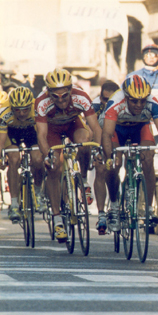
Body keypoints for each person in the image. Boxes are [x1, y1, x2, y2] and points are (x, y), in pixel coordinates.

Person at [35, 68, 103, 242]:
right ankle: (57, 218)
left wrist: (97, 149)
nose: (61, 100)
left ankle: (85, 180)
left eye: (65, 95)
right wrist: (48, 155)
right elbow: (41, 136)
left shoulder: (81, 97)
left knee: (85, 141)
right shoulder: (41, 102)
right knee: (54, 168)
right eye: (55, 97)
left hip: (74, 125)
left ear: (71, 90)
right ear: (48, 93)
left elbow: (96, 128)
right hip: (52, 131)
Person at [100, 75, 158, 232]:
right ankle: (113, 207)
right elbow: (106, 135)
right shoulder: (115, 102)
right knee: (115, 163)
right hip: (117, 131)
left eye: (142, 100)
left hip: (140, 128)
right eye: (134, 101)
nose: (139, 104)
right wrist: (109, 158)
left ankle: (148, 207)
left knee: (148, 158)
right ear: (126, 97)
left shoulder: (153, 103)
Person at [0, 87, 44, 222]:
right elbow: (1, 141)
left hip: (32, 132)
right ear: (11, 107)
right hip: (12, 134)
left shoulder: (38, 110)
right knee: (13, 160)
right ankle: (14, 204)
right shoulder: (4, 113)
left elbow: (42, 135)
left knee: (37, 159)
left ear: (30, 105)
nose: (22, 113)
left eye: (25, 109)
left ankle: (38, 192)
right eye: (17, 109)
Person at [91, 79, 120, 233]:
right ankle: (101, 214)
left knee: (115, 167)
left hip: (116, 135)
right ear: (100, 97)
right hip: (100, 134)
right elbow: (91, 129)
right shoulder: (95, 106)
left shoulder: (122, 104)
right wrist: (95, 150)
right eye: (104, 99)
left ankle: (115, 205)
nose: (107, 103)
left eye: (111, 100)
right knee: (101, 169)